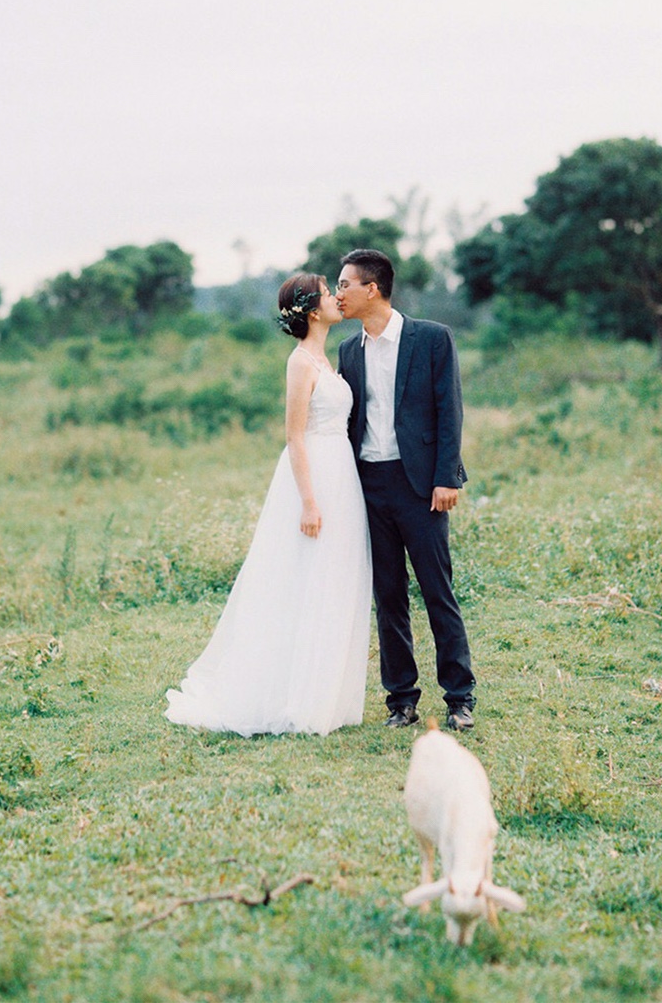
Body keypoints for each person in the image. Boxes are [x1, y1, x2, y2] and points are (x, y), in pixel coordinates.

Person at [165, 273, 372, 737]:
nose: (337, 298)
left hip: (342, 473)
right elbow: (294, 436)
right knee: (303, 577)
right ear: (313, 311)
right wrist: (309, 503)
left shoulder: (329, 358)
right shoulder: (300, 363)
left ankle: (324, 694)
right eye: (329, 293)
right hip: (314, 475)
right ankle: (290, 695)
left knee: (333, 577)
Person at [336, 249, 476, 731]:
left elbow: (449, 409)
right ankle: (401, 700)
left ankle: (459, 698)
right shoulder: (348, 351)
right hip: (369, 486)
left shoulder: (432, 338)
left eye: (345, 285)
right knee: (388, 596)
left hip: (420, 486)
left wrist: (446, 477)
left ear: (372, 288)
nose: (339, 294)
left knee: (438, 591)